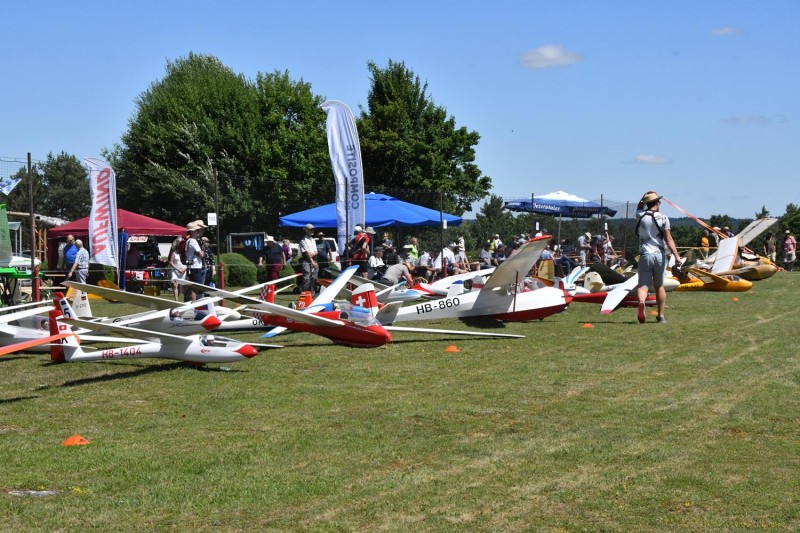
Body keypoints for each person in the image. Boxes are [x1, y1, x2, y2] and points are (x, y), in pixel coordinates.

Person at [634, 191, 681, 324]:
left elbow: (639, 207)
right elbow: (668, 239)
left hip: (645, 254)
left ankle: (642, 301)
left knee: (643, 285)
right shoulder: (663, 218)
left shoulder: (640, 215)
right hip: (659, 254)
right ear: (658, 203)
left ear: (646, 203)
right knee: (659, 286)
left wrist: (644, 196)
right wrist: (677, 256)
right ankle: (660, 316)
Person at [184, 220, 207, 301]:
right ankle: (194, 304)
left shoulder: (188, 241)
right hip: (195, 266)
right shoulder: (193, 241)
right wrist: (203, 251)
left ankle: (192, 302)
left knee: (193, 287)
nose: (198, 232)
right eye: (196, 230)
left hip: (191, 266)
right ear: (192, 232)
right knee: (195, 288)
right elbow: (201, 254)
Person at [298, 223, 318, 292]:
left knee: (314, 277)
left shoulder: (313, 240)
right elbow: (306, 253)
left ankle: (312, 293)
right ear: (306, 230)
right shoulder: (303, 240)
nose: (312, 231)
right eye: (311, 229)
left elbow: (316, 251)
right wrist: (312, 261)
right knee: (306, 277)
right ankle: (304, 293)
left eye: (313, 229)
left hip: (314, 259)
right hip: (306, 260)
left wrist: (312, 255)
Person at [169, 233, 188, 301]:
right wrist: (178, 269)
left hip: (184, 270)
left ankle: (185, 299)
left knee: (185, 285)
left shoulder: (185, 252)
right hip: (175, 270)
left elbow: (188, 262)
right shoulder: (174, 253)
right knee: (175, 285)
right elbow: (171, 262)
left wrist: (185, 269)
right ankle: (176, 300)